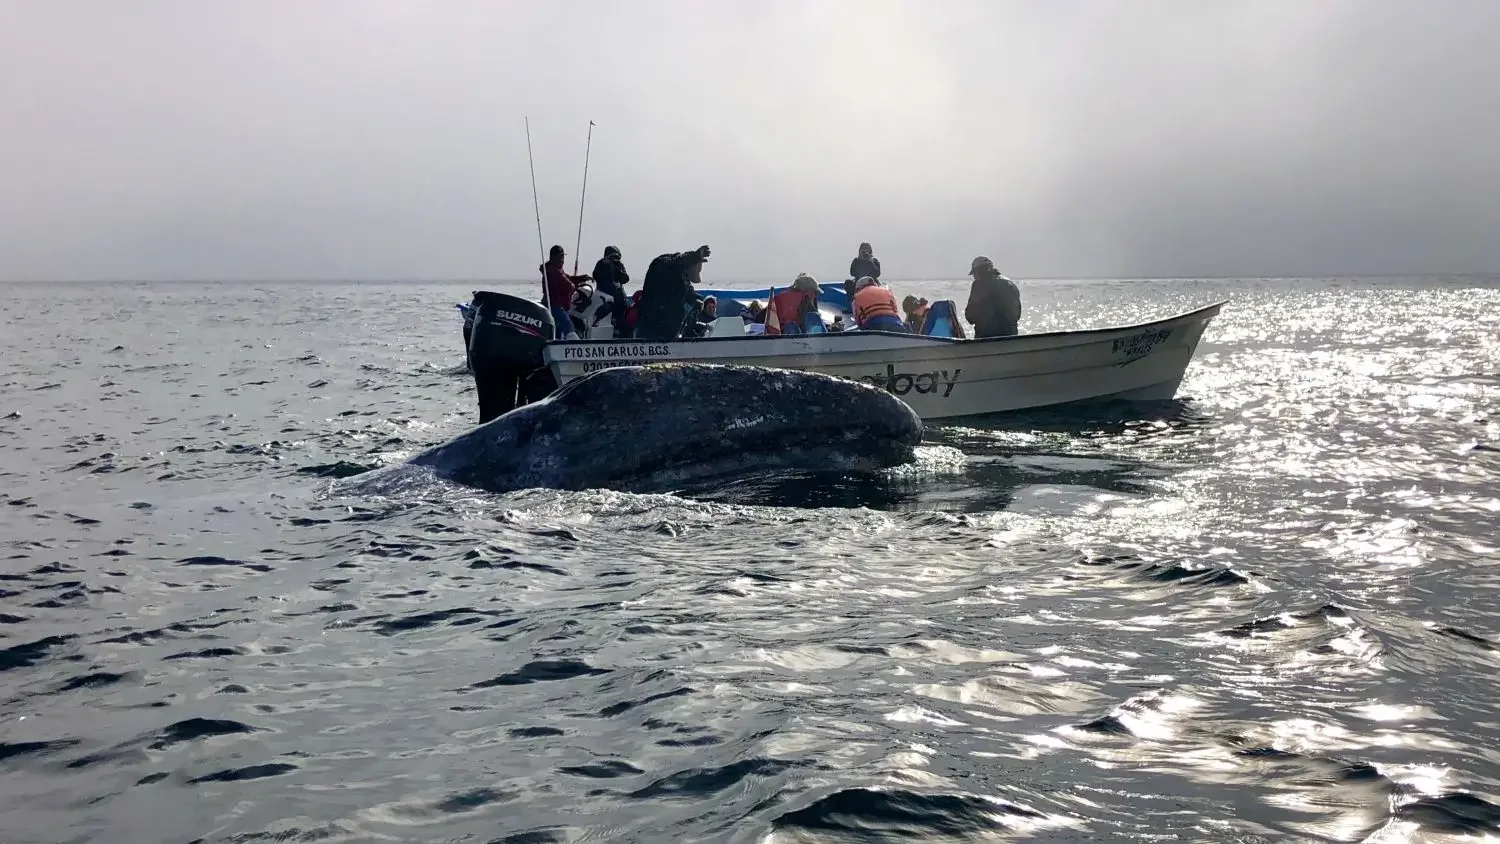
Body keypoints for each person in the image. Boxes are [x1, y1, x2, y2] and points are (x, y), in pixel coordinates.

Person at [634, 245, 710, 340]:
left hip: (669, 334)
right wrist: (694, 256)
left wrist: (696, 300)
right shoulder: (664, 265)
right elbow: (676, 264)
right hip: (652, 330)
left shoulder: (682, 279)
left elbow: (690, 293)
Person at [964, 256, 1021, 337]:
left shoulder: (979, 285)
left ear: (982, 271)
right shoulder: (1011, 284)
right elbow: (1017, 315)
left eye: (975, 273)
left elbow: (970, 316)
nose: (974, 276)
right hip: (1011, 336)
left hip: (986, 337)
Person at [540, 244, 588, 339]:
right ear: (553, 257)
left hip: (560, 305)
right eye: (560, 256)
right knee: (567, 324)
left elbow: (568, 278)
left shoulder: (557, 269)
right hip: (555, 306)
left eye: (563, 256)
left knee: (558, 328)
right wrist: (575, 286)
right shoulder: (552, 271)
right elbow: (568, 285)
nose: (562, 259)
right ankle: (574, 344)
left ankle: (558, 344)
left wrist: (582, 278)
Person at [591, 246, 630, 337]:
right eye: (612, 257)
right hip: (605, 294)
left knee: (622, 309)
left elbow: (625, 279)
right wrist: (606, 265)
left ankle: (621, 332)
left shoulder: (619, 265)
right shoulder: (601, 264)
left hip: (619, 297)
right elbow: (596, 276)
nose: (614, 259)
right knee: (608, 306)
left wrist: (617, 269)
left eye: (616, 257)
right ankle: (596, 321)